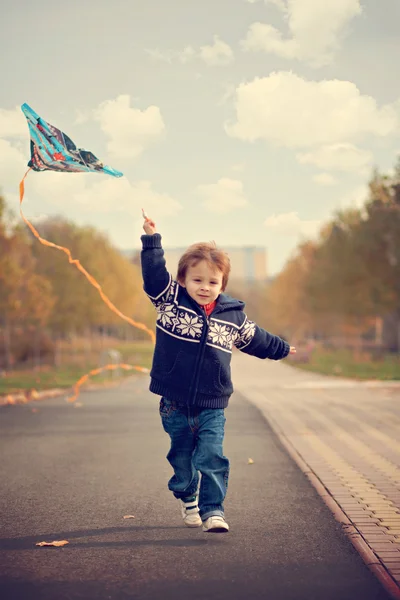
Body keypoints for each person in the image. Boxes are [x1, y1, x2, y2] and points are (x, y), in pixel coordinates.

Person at [141, 213, 296, 534]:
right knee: (183, 463)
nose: (205, 287)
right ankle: (187, 497)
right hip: (174, 403)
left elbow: (257, 339)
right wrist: (152, 239)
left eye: (213, 282)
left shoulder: (232, 316)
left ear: (222, 285)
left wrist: (282, 348)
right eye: (197, 280)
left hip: (213, 403)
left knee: (212, 457)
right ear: (183, 280)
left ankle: (214, 512)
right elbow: (155, 275)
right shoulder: (169, 301)